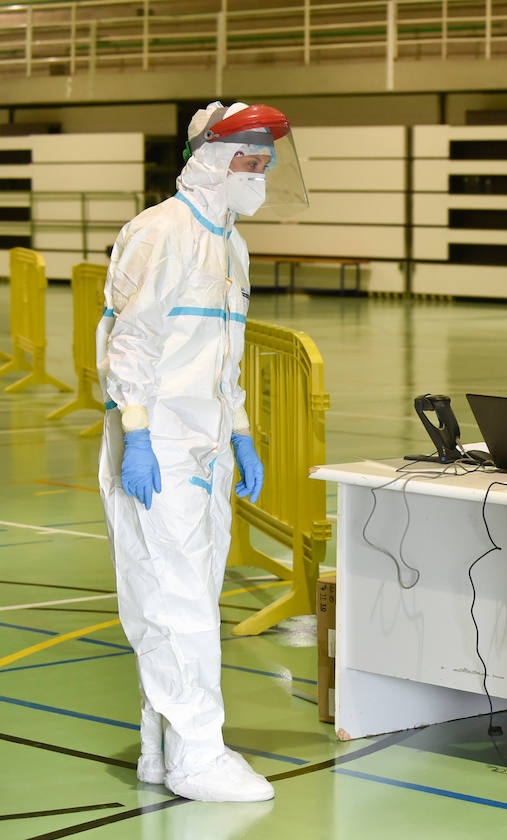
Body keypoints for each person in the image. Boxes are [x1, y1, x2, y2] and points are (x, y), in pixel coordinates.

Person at [97, 101, 307, 803]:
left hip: (206, 446)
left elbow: (222, 359)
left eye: (269, 160)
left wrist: (240, 429)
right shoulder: (163, 232)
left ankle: (162, 740)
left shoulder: (229, 245)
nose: (265, 173)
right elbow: (128, 343)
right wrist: (135, 434)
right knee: (173, 598)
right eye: (254, 160)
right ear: (216, 161)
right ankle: (198, 754)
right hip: (157, 445)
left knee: (188, 592)